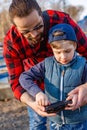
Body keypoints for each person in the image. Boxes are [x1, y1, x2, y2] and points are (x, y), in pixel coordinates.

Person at [3, 0, 87, 129]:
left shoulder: (61, 21)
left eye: (38, 26)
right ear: (15, 27)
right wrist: (32, 101)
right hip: (34, 87)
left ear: (41, 15)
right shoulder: (12, 43)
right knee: (37, 123)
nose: (34, 34)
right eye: (26, 32)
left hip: (69, 85)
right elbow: (16, 82)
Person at [19, 23, 87, 130]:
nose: (63, 57)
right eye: (58, 52)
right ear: (51, 48)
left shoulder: (83, 65)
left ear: (74, 45)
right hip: (56, 123)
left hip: (79, 122)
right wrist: (37, 93)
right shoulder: (46, 64)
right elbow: (24, 77)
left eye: (67, 51)